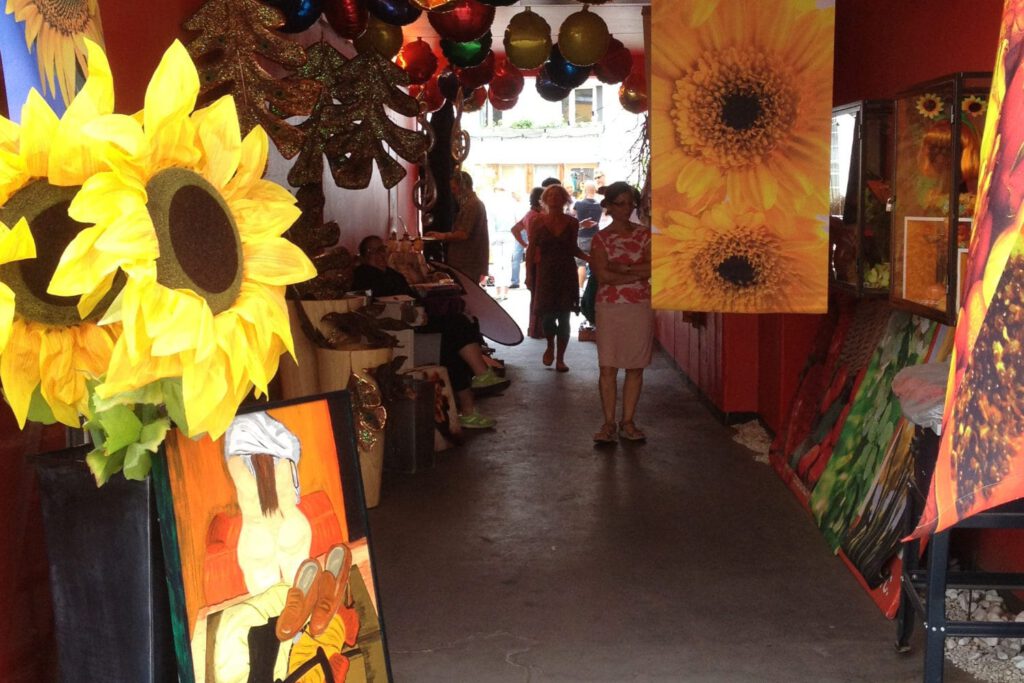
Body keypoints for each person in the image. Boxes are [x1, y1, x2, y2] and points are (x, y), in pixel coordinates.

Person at [353, 235, 507, 429]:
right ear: (363, 256)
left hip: (415, 323)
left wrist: (421, 310)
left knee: (455, 337)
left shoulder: (393, 275)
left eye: (381, 250)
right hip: (397, 331)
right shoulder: (363, 276)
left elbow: (415, 298)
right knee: (455, 328)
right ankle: (480, 379)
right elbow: (372, 307)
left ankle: (471, 404)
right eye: (372, 251)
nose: (378, 255)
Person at [588, 181, 653, 443]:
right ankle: (608, 423)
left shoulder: (645, 235)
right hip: (610, 308)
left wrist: (620, 268)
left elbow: (652, 268)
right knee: (608, 367)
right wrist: (635, 271)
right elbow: (603, 276)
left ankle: (627, 421)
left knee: (636, 366)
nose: (626, 209)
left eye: (630, 204)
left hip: (638, 307)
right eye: (620, 204)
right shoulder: (600, 238)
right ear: (609, 206)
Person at [530, 184, 589, 372]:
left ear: (565, 199)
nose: (554, 198)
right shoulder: (537, 221)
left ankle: (561, 359)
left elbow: (573, 248)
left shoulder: (572, 222)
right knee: (547, 317)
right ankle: (550, 345)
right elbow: (531, 249)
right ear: (545, 200)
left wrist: (590, 258)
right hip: (545, 272)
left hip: (566, 272)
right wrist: (529, 275)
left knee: (564, 317)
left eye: (558, 195)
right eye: (550, 195)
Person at [426, 171, 489, 286]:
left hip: (467, 263)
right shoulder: (470, 204)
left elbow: (463, 234)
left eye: (454, 188)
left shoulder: (472, 205)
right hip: (466, 263)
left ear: (463, 186)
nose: (452, 192)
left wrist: (442, 236)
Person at [487, 185, 517, 301]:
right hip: (509, 235)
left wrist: (491, 238)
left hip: (497, 235)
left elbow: (490, 223)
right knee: (507, 264)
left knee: (498, 264)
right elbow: (516, 221)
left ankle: (499, 291)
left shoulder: (492, 204)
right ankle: (505, 291)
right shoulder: (511, 204)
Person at [572, 179, 603, 288]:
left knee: (581, 264)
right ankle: (595, 287)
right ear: (595, 190)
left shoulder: (578, 204)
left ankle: (580, 288)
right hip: (596, 235)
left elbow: (572, 215)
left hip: (582, 235)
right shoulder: (600, 205)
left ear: (585, 189)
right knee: (596, 262)